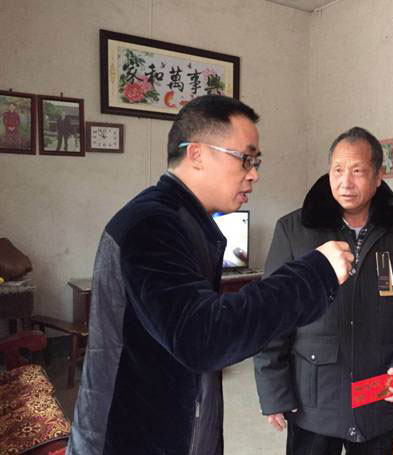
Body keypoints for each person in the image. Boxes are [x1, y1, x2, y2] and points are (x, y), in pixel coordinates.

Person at [67, 95, 355, 455]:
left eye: (256, 161)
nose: (254, 173)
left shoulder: (183, 221)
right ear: (197, 154)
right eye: (245, 158)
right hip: (130, 438)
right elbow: (203, 336)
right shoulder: (151, 225)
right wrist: (314, 275)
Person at [253, 126, 393, 455]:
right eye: (338, 170)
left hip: (379, 395)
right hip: (313, 399)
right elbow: (272, 314)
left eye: (358, 171)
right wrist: (274, 391)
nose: (345, 182)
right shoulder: (294, 231)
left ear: (378, 176)